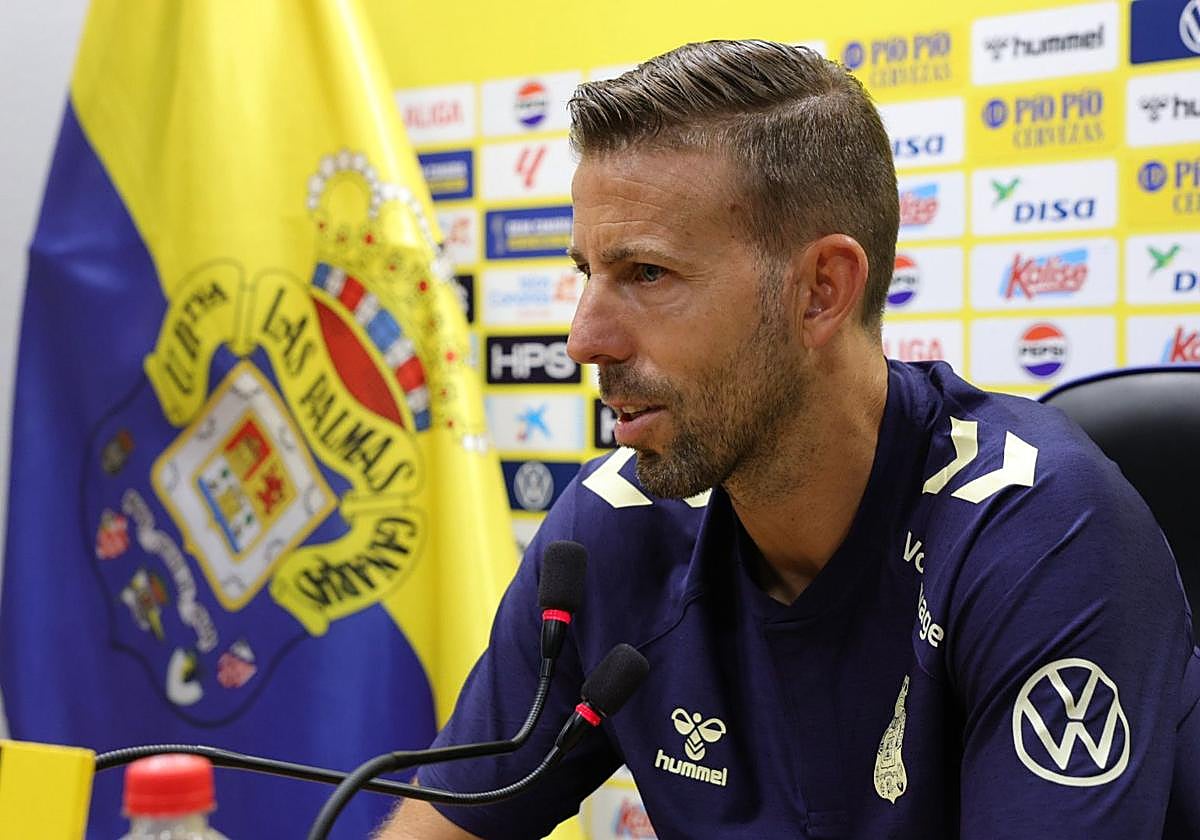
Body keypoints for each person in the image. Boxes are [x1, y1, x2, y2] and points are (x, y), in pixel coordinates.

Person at [379, 40, 1200, 839]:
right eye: (586, 272)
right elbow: (445, 822)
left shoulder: (1041, 533)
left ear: (821, 291)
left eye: (647, 275)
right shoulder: (613, 529)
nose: (584, 337)